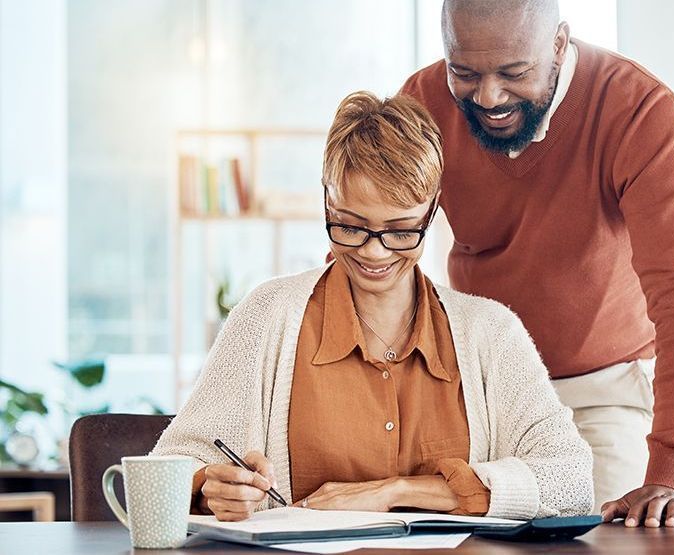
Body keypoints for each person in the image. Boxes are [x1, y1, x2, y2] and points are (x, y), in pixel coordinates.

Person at [152, 91, 593, 522]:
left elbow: (571, 480)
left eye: (401, 231)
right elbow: (173, 464)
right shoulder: (267, 317)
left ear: (432, 211)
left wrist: (396, 492)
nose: (374, 253)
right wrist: (211, 486)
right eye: (350, 226)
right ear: (327, 201)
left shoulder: (492, 333)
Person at [399, 0, 674, 528]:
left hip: (599, 394)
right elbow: (370, 241)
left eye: (514, 73)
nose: (488, 96)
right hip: (472, 394)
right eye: (464, 72)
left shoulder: (639, 110)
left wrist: (672, 469)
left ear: (558, 43)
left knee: (609, 542)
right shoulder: (422, 104)